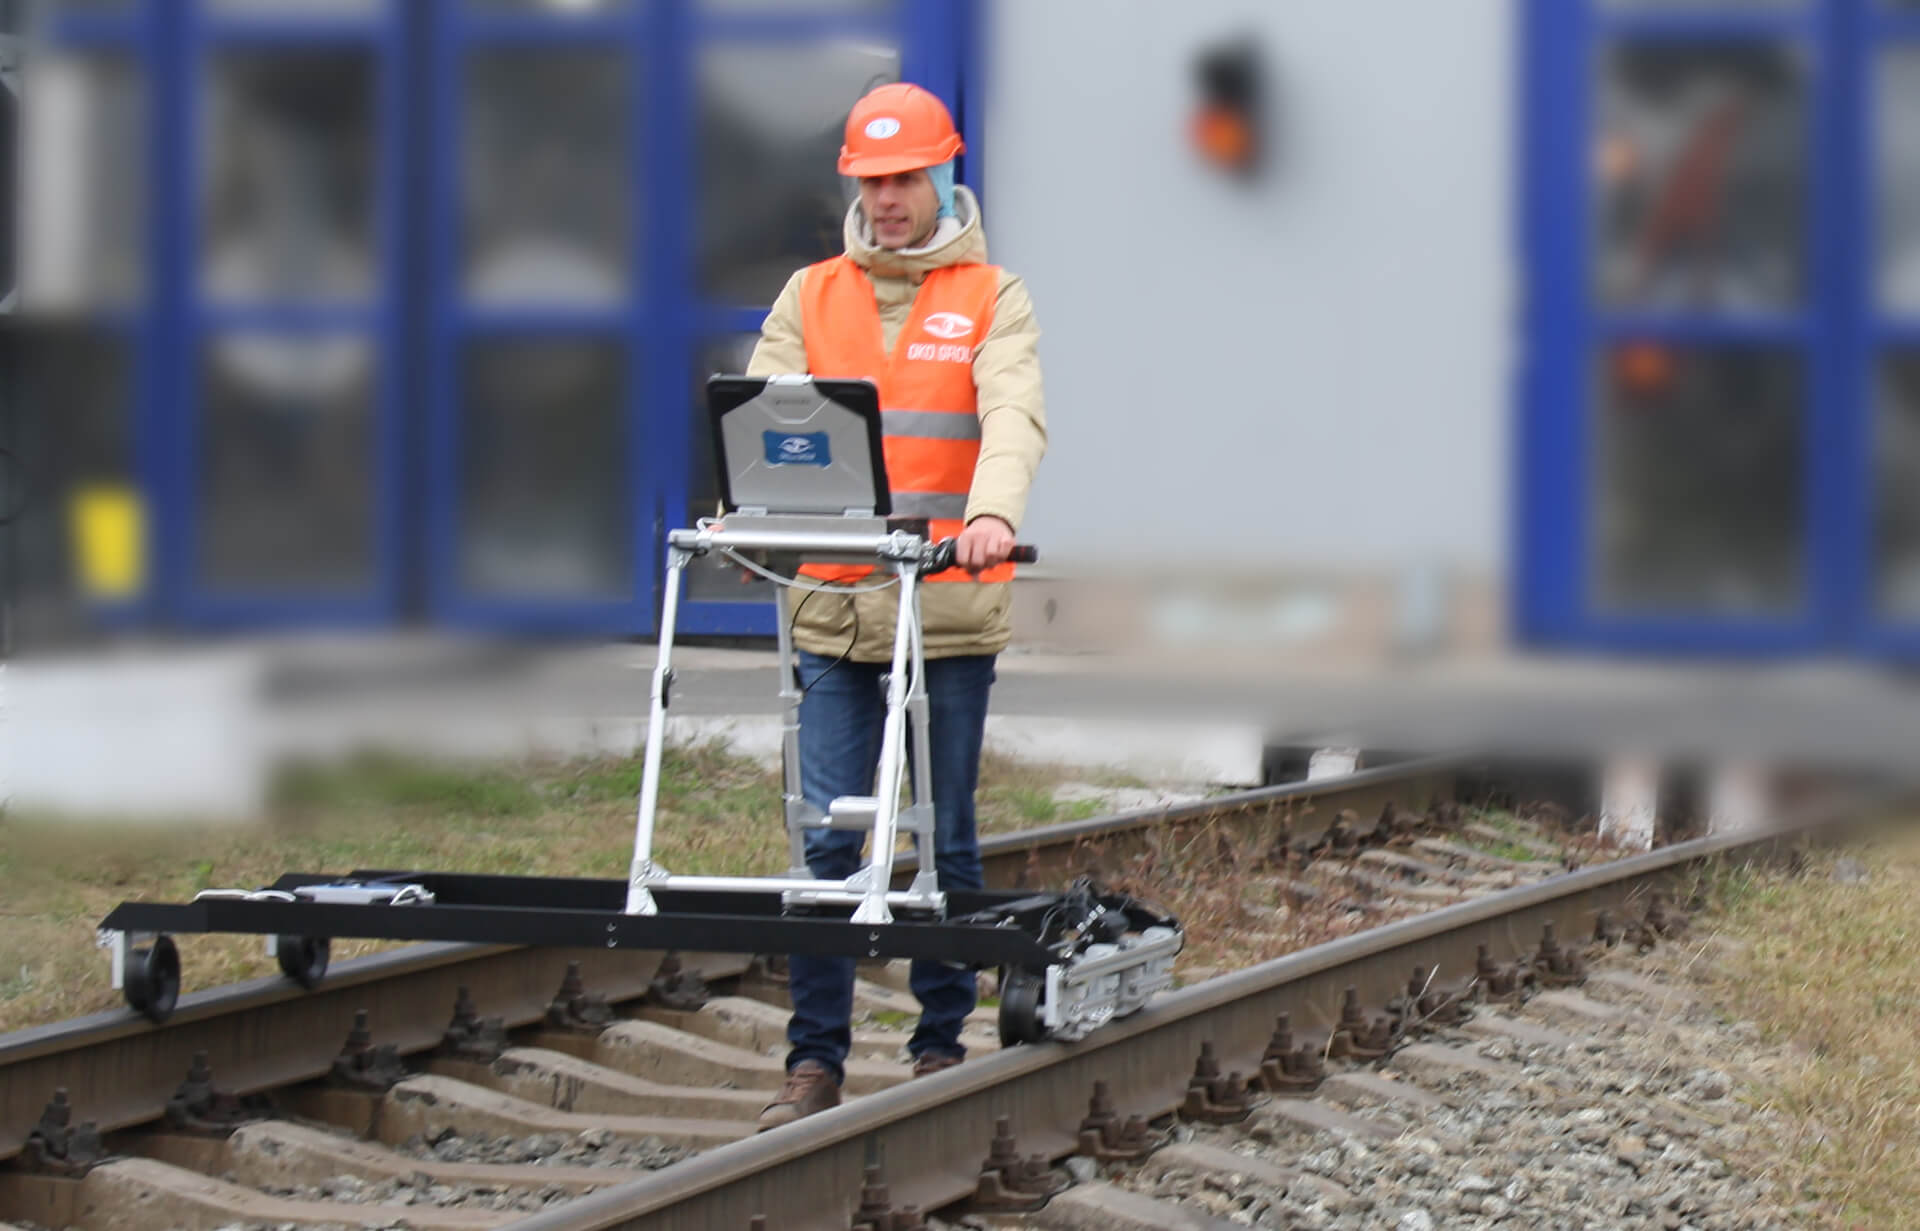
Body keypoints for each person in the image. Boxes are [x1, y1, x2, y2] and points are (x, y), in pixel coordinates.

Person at [746, 82, 1047, 1130]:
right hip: (832, 607)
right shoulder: (809, 295)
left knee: (945, 840)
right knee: (825, 844)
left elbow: (1011, 413)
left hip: (947, 608)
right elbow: (767, 425)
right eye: (871, 181)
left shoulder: (991, 296)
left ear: (941, 179)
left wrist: (992, 514)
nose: (885, 200)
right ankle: (814, 1062)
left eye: (903, 179)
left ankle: (935, 1047)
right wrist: (757, 523)